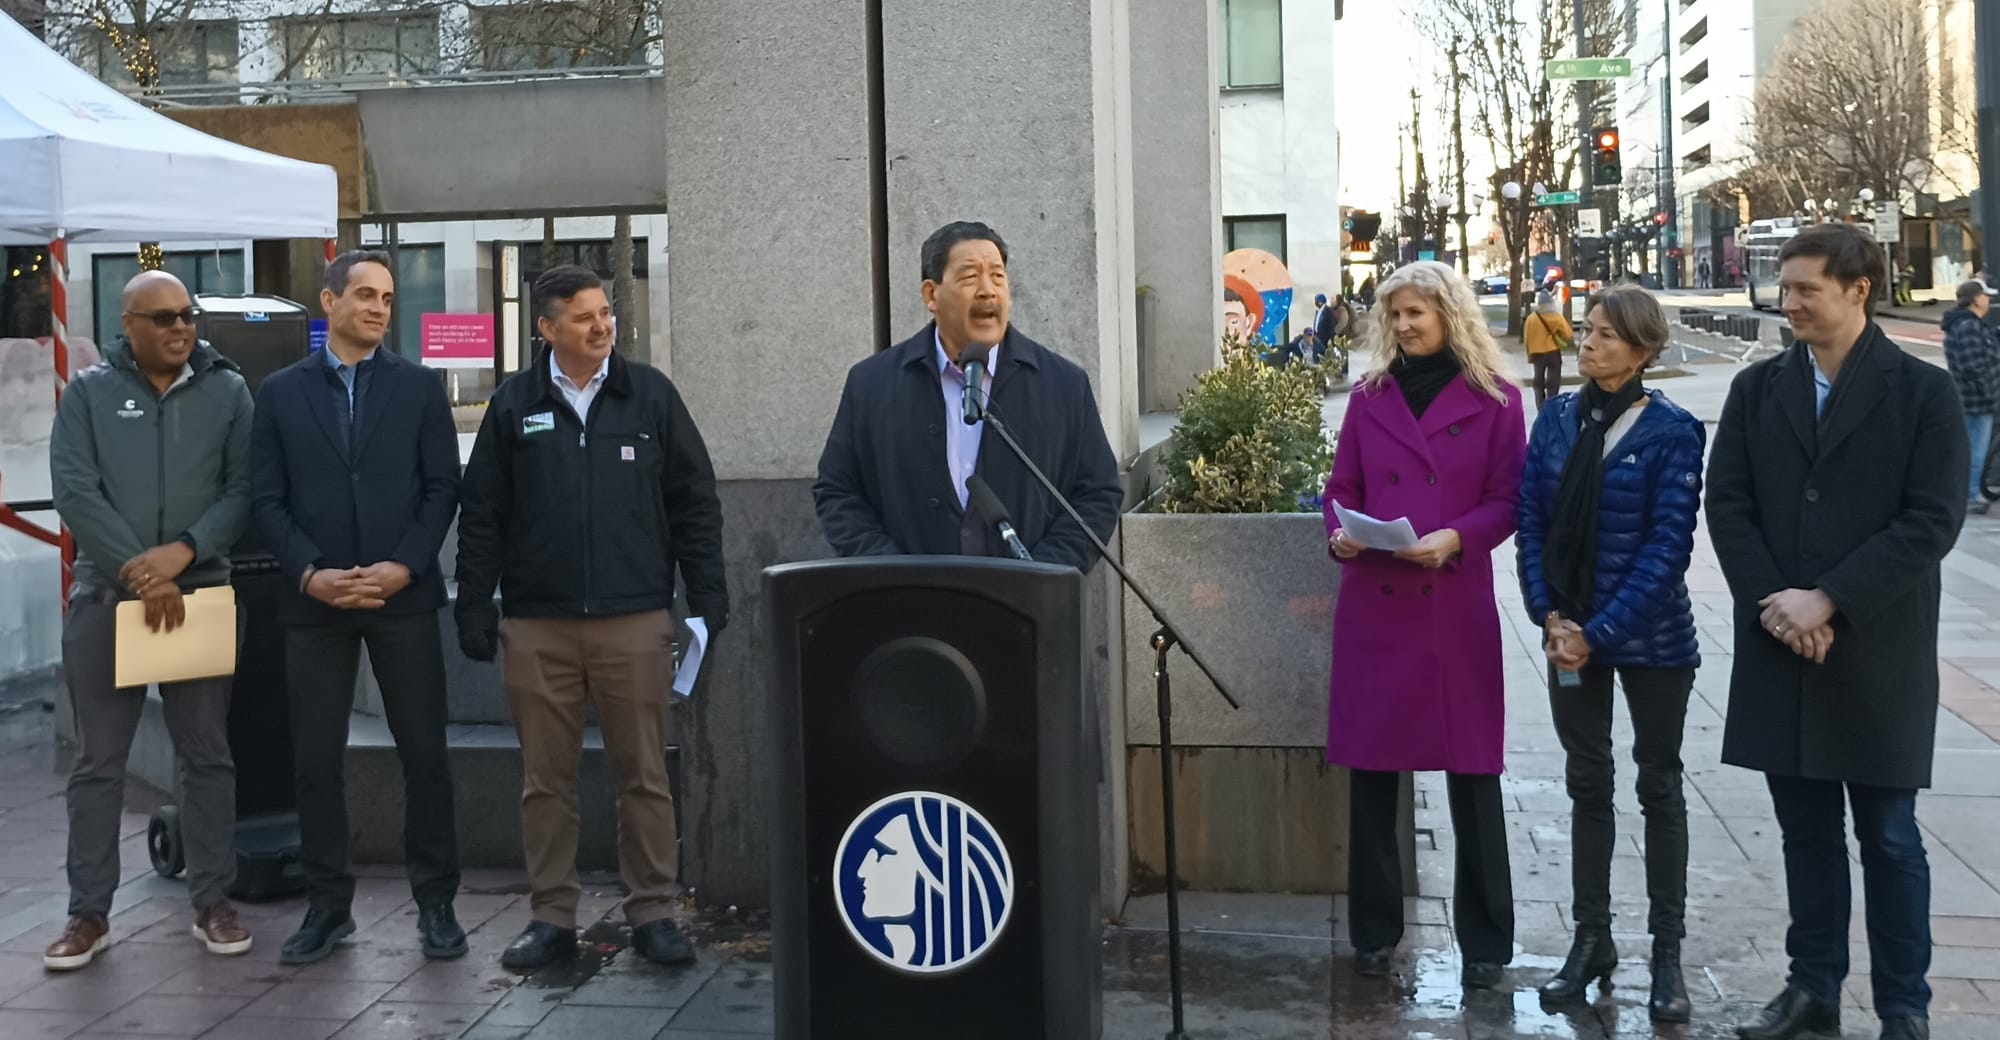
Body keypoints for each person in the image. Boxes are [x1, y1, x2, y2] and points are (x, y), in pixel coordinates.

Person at [1707, 222, 1966, 1040]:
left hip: (1876, 646)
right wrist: (1779, 605)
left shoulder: (1924, 393)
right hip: (1781, 644)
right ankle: (1812, 989)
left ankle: (1903, 1009)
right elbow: (1729, 505)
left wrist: (1831, 600)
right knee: (1806, 834)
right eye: (1784, 289)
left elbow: (1932, 520)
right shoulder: (1757, 389)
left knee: (1889, 836)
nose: (1788, 304)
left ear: (1858, 290)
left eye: (1804, 290)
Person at [455, 264, 729, 970]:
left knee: (644, 774)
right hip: (537, 626)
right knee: (547, 782)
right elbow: (482, 513)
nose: (603, 326)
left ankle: (654, 912)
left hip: (633, 621)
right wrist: (474, 604)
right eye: (584, 317)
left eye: (605, 313)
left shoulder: (652, 397)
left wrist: (707, 595)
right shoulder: (514, 404)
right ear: (546, 328)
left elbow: (694, 502)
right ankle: (551, 916)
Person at [248, 251, 466, 965]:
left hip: (402, 597)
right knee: (315, 762)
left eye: (387, 298)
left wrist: (405, 565)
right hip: (316, 603)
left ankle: (436, 903)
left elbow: (442, 487)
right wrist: (310, 573)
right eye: (365, 294)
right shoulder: (279, 393)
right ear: (329, 301)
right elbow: (266, 498)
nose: (378, 307)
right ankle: (327, 907)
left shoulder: (420, 388)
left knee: (425, 754)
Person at [1322, 260, 1527, 990]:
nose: (1405, 325)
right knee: (1374, 775)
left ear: (1448, 315)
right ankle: (1374, 935)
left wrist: (1457, 537)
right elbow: (1341, 488)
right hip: (1376, 603)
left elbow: (1510, 499)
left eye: (1417, 312)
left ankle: (1487, 942)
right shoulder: (1369, 397)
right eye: (1396, 314)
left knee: (1473, 772)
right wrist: (1339, 534)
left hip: (1450, 601)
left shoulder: (1498, 399)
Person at [45, 271, 254, 969]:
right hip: (109, 601)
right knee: (98, 764)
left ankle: (213, 901)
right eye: (163, 318)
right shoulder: (88, 394)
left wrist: (183, 553)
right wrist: (141, 572)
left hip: (198, 597)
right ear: (128, 324)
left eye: (187, 315)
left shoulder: (229, 391)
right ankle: (88, 914)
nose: (180, 328)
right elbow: (75, 490)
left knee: (208, 756)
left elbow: (243, 489)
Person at [1516, 285, 1705, 1023]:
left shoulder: (1672, 431)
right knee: (1588, 783)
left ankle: (1667, 953)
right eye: (1586, 330)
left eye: (1603, 335)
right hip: (1569, 635)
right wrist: (1550, 615)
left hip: (1653, 641)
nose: (1587, 343)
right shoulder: (1556, 420)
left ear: (1643, 350)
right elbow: (1532, 521)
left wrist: (1596, 632)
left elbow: (1667, 550)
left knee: (1658, 785)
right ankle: (1591, 938)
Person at [814, 221, 1122, 568]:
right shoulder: (873, 384)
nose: (988, 291)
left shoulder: (1062, 385)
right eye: (970, 277)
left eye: (998, 277)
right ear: (931, 295)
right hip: (906, 596)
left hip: (1027, 597)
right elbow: (838, 491)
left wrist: (1044, 576)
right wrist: (891, 572)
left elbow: (1097, 493)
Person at [1941, 280, 1999, 515]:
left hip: (1974, 400)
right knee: (1975, 449)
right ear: (1975, 299)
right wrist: (1991, 394)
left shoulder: (1969, 325)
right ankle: (1970, 495)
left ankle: (1970, 493)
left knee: (1973, 447)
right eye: (1985, 296)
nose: (1988, 300)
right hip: (1976, 402)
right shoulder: (1968, 327)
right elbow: (1973, 366)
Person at [1524, 290, 1573, 409]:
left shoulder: (1531, 318)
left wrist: (1530, 355)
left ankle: (1541, 406)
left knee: (1538, 381)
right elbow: (1567, 335)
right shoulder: (1556, 317)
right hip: (1553, 352)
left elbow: (1527, 338)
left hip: (1537, 353)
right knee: (1554, 380)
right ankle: (1552, 403)